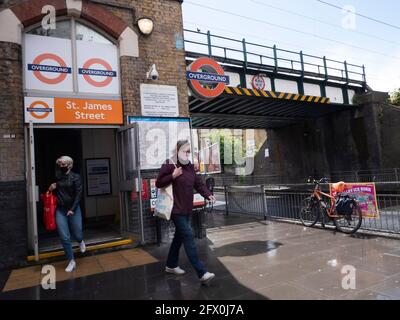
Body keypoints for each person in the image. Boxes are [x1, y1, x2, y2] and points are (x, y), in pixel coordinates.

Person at [156, 140, 217, 285]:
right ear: (177, 150)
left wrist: (207, 194)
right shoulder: (169, 164)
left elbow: (198, 183)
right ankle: (202, 272)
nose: (188, 154)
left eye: (189, 151)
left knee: (179, 237)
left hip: (187, 208)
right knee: (188, 235)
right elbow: (159, 183)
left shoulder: (190, 167)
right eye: (185, 151)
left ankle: (171, 265)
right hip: (175, 209)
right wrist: (173, 176)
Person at [49, 156, 86, 272]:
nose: (61, 166)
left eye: (63, 164)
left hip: (73, 209)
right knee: (64, 236)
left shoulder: (76, 177)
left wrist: (73, 209)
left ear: (70, 165)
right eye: (60, 164)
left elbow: (79, 194)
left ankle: (80, 241)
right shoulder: (58, 177)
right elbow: (54, 191)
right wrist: (51, 188)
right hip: (60, 210)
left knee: (77, 233)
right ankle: (71, 261)